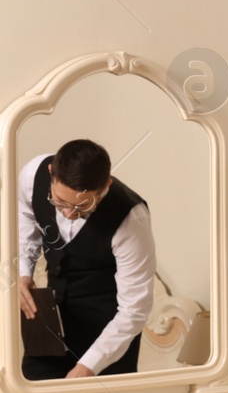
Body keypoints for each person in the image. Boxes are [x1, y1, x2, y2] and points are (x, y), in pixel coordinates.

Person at [17, 139, 155, 379]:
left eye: (82, 207)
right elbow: (26, 217)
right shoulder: (32, 175)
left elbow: (135, 309)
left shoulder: (131, 218)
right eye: (60, 202)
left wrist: (88, 366)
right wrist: (24, 271)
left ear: (105, 187)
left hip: (109, 342)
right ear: (51, 173)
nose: (69, 214)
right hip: (49, 332)